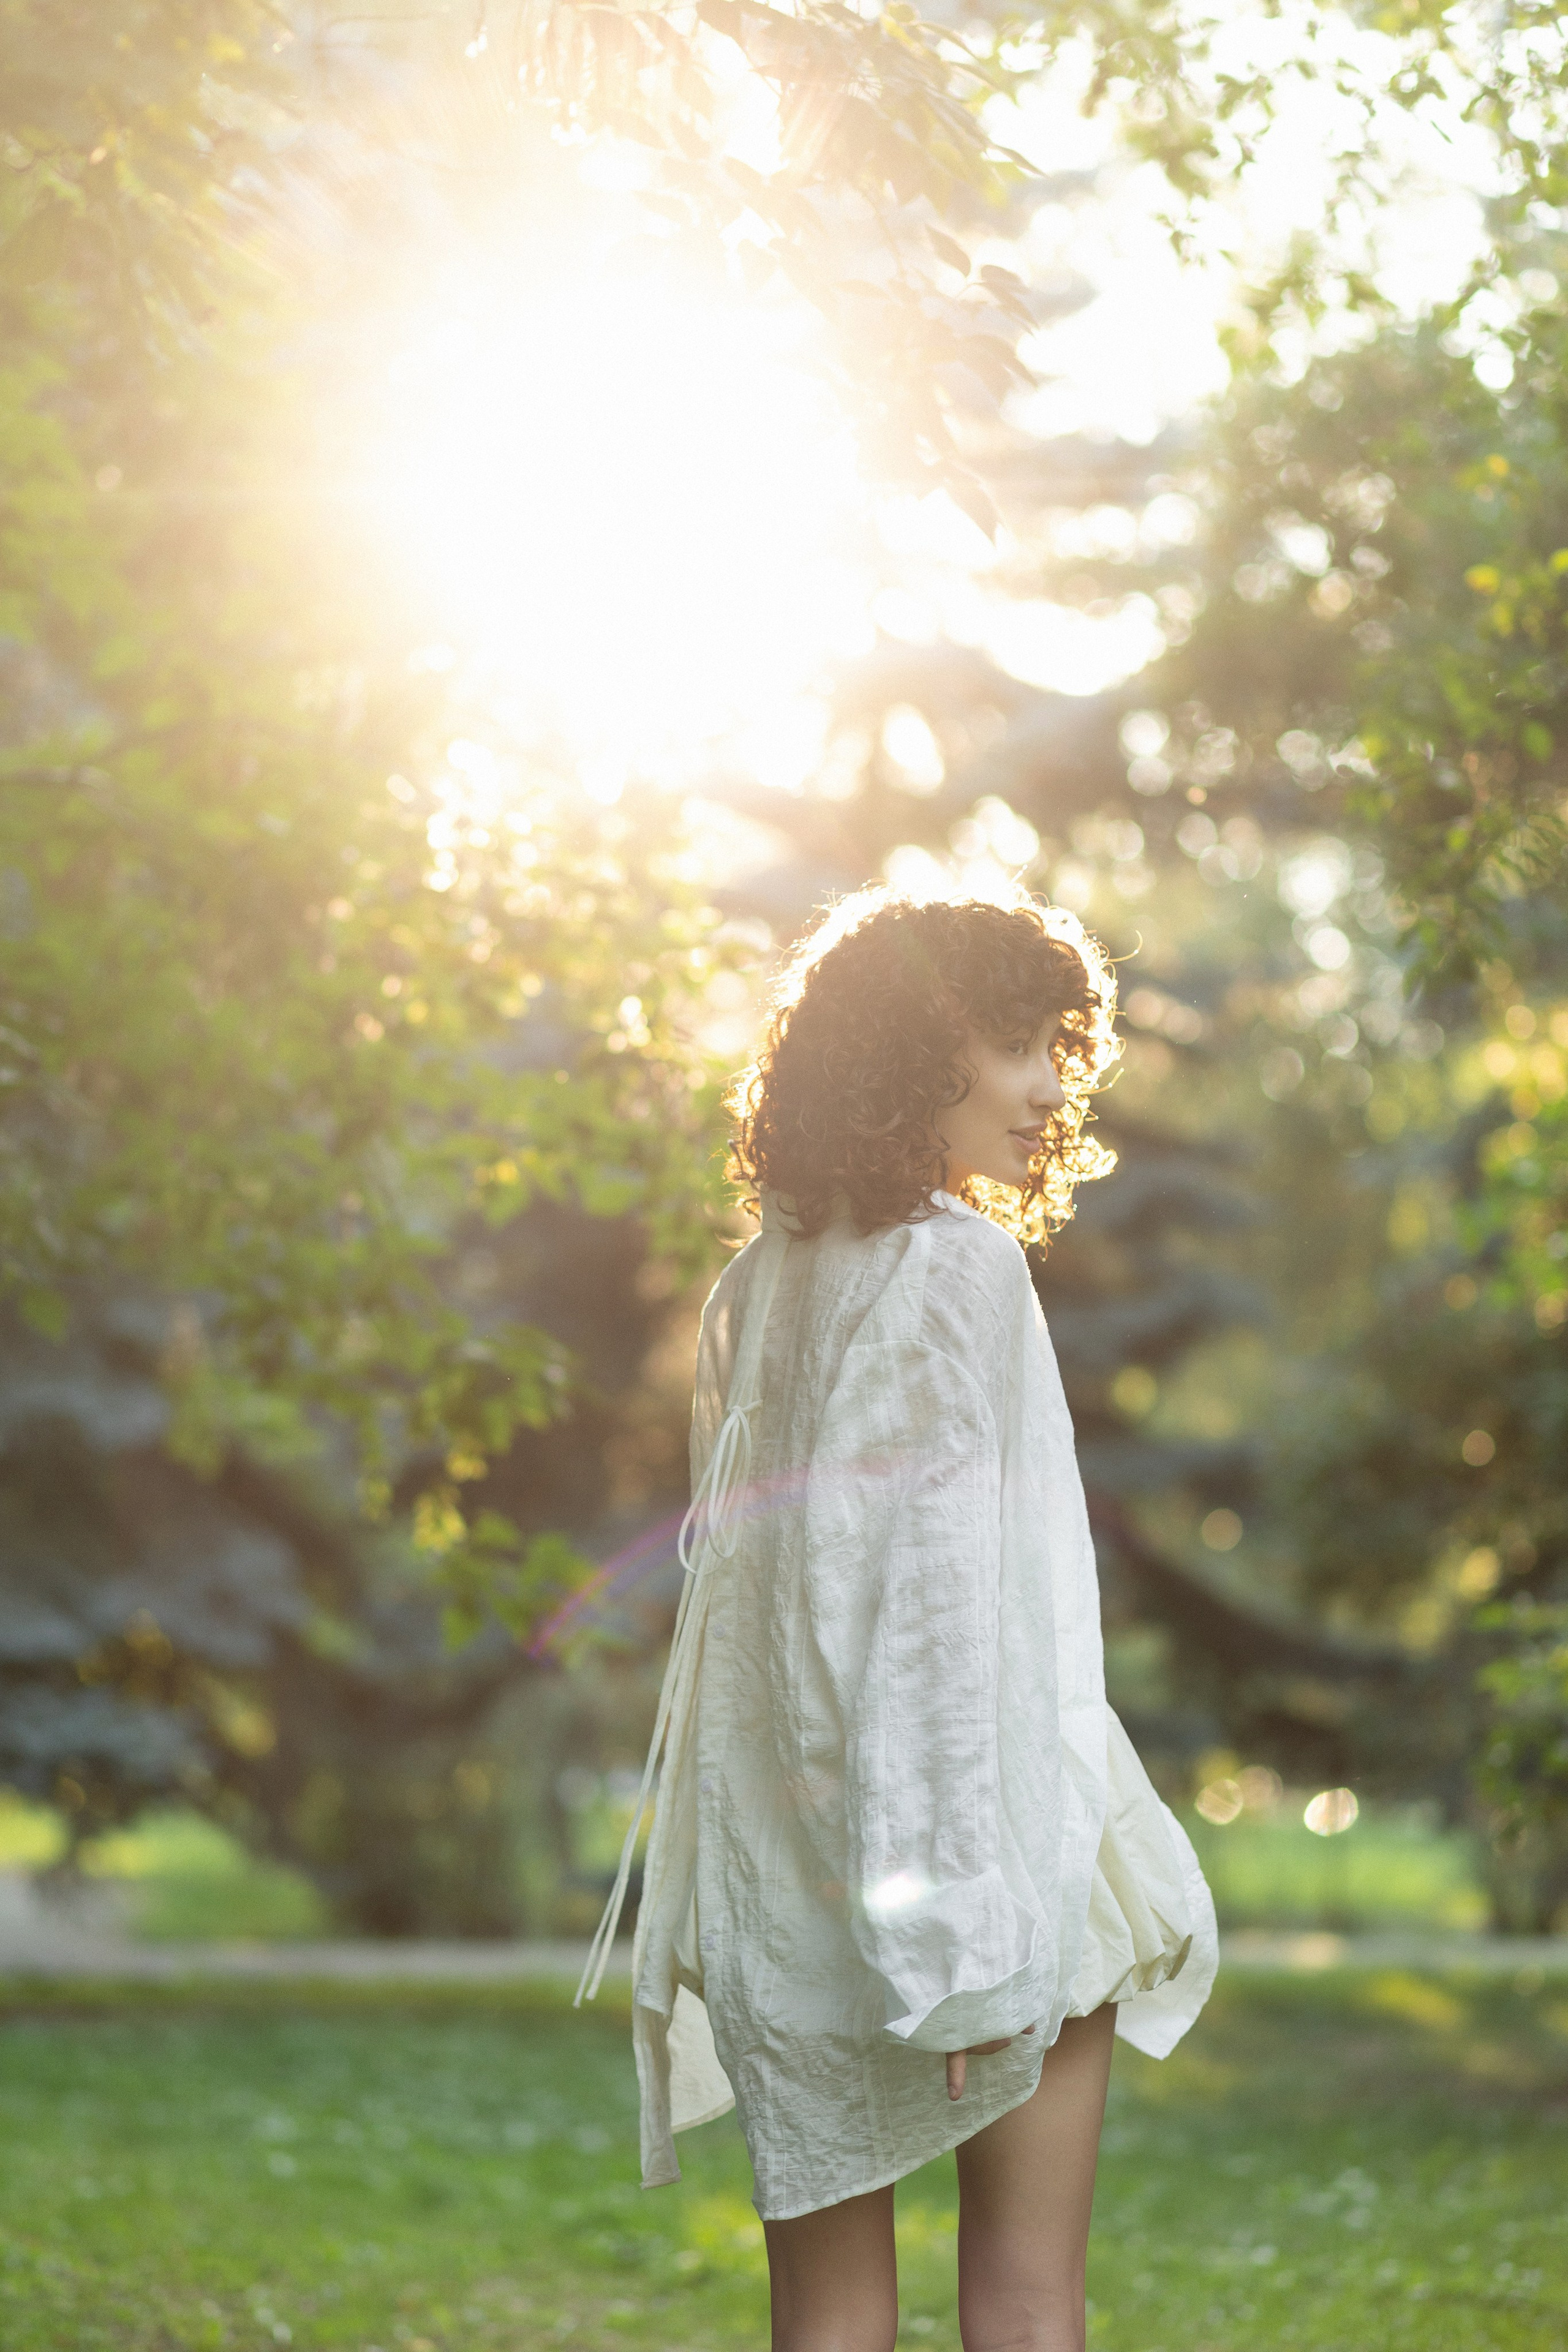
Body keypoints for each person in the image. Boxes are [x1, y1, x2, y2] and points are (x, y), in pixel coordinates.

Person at [578, 886, 1216, 2352]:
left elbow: (762, 1613)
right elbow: (920, 1618)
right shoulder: (952, 1266)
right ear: (906, 1050)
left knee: (826, 2323)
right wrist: (955, 1939)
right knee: (1023, 2301)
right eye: (1012, 1043)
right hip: (976, 1860)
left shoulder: (759, 1282)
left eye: (1063, 1043)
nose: (1051, 1085)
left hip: (790, 1876)